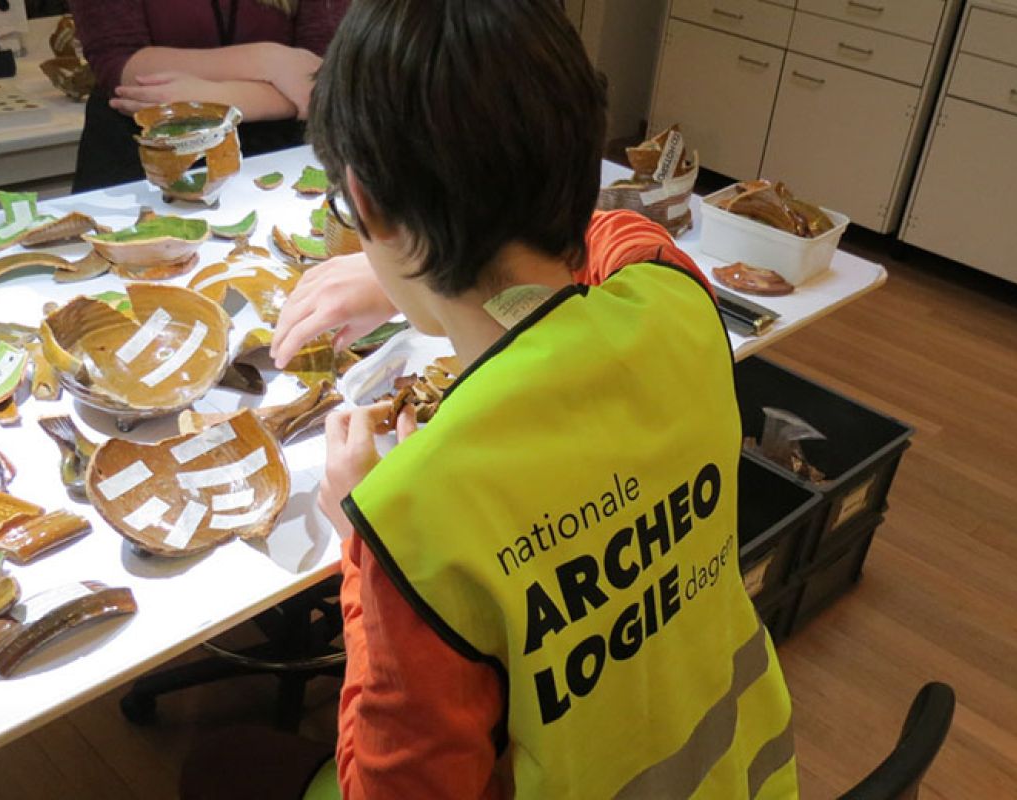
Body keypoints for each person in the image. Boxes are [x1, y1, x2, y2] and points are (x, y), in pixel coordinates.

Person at [293, 1, 801, 797]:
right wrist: (404, 258)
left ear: (366, 205)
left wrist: (360, 538)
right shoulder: (676, 301)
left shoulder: (412, 515)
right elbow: (618, 236)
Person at [67, 0, 348, 191]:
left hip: (276, 160)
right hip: (143, 159)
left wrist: (214, 97)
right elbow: (121, 67)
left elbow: (322, 75)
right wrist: (267, 61)